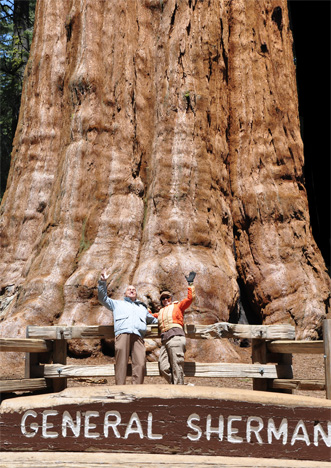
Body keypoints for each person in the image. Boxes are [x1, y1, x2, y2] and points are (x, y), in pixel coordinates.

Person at [98, 270, 157, 385]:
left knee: (140, 363)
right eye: (129, 289)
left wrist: (171, 318)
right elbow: (103, 299)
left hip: (138, 337)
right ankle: (120, 389)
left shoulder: (142, 308)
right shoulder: (117, 304)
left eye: (134, 290)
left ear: (136, 294)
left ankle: (137, 390)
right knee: (121, 363)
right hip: (122, 334)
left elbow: (154, 320)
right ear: (124, 294)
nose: (131, 290)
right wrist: (102, 282)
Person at [156, 271, 196, 385]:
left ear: (171, 298)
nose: (165, 300)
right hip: (165, 340)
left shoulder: (177, 306)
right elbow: (149, 316)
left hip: (175, 337)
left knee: (176, 365)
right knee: (163, 366)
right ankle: (179, 386)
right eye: (163, 298)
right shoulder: (160, 312)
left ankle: (179, 392)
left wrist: (190, 284)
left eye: (167, 297)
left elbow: (190, 299)